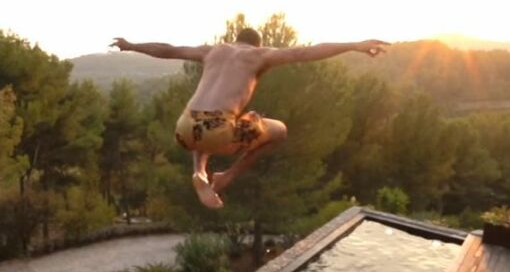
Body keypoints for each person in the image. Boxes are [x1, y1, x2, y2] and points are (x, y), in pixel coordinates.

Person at [111, 29, 388, 208]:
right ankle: (226, 176)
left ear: (236, 40)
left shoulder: (213, 50)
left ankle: (198, 174)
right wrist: (354, 44)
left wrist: (131, 44)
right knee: (278, 130)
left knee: (208, 129)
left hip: (184, 127)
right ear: (258, 44)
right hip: (218, 128)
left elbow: (167, 48)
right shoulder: (259, 55)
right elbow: (306, 52)